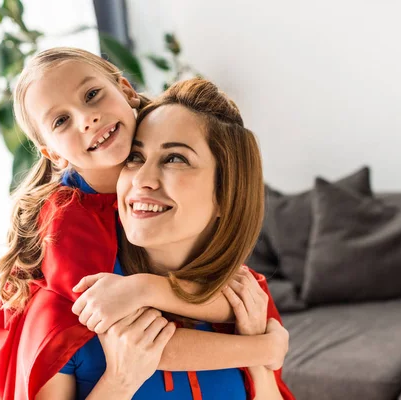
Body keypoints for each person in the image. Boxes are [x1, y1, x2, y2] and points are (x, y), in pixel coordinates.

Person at [0, 48, 289, 400]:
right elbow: (134, 340)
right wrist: (262, 349)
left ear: (126, 90)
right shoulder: (67, 221)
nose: (87, 119)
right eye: (61, 121)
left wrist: (260, 354)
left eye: (91, 96)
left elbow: (233, 301)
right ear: (53, 153)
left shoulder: (245, 287)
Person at [67, 78, 295, 399]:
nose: (142, 180)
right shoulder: (74, 293)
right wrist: (118, 383)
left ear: (225, 196)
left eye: (175, 158)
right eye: (134, 157)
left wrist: (260, 359)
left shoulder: (246, 295)